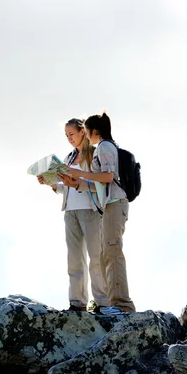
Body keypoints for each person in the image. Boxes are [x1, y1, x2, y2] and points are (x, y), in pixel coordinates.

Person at [37, 118, 110, 313]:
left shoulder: (94, 155)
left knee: (96, 257)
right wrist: (52, 184)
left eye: (72, 134)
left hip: (91, 211)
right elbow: (67, 189)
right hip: (70, 212)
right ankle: (77, 303)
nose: (69, 138)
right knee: (74, 259)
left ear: (82, 132)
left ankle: (103, 303)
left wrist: (76, 183)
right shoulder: (68, 158)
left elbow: (102, 186)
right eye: (66, 135)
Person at [67, 112, 136, 314]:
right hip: (110, 205)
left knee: (112, 253)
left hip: (115, 204)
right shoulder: (104, 146)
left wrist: (80, 173)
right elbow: (99, 181)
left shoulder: (105, 146)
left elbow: (107, 176)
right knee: (108, 254)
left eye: (87, 132)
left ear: (94, 131)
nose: (86, 137)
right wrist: (78, 183)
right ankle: (117, 304)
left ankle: (122, 306)